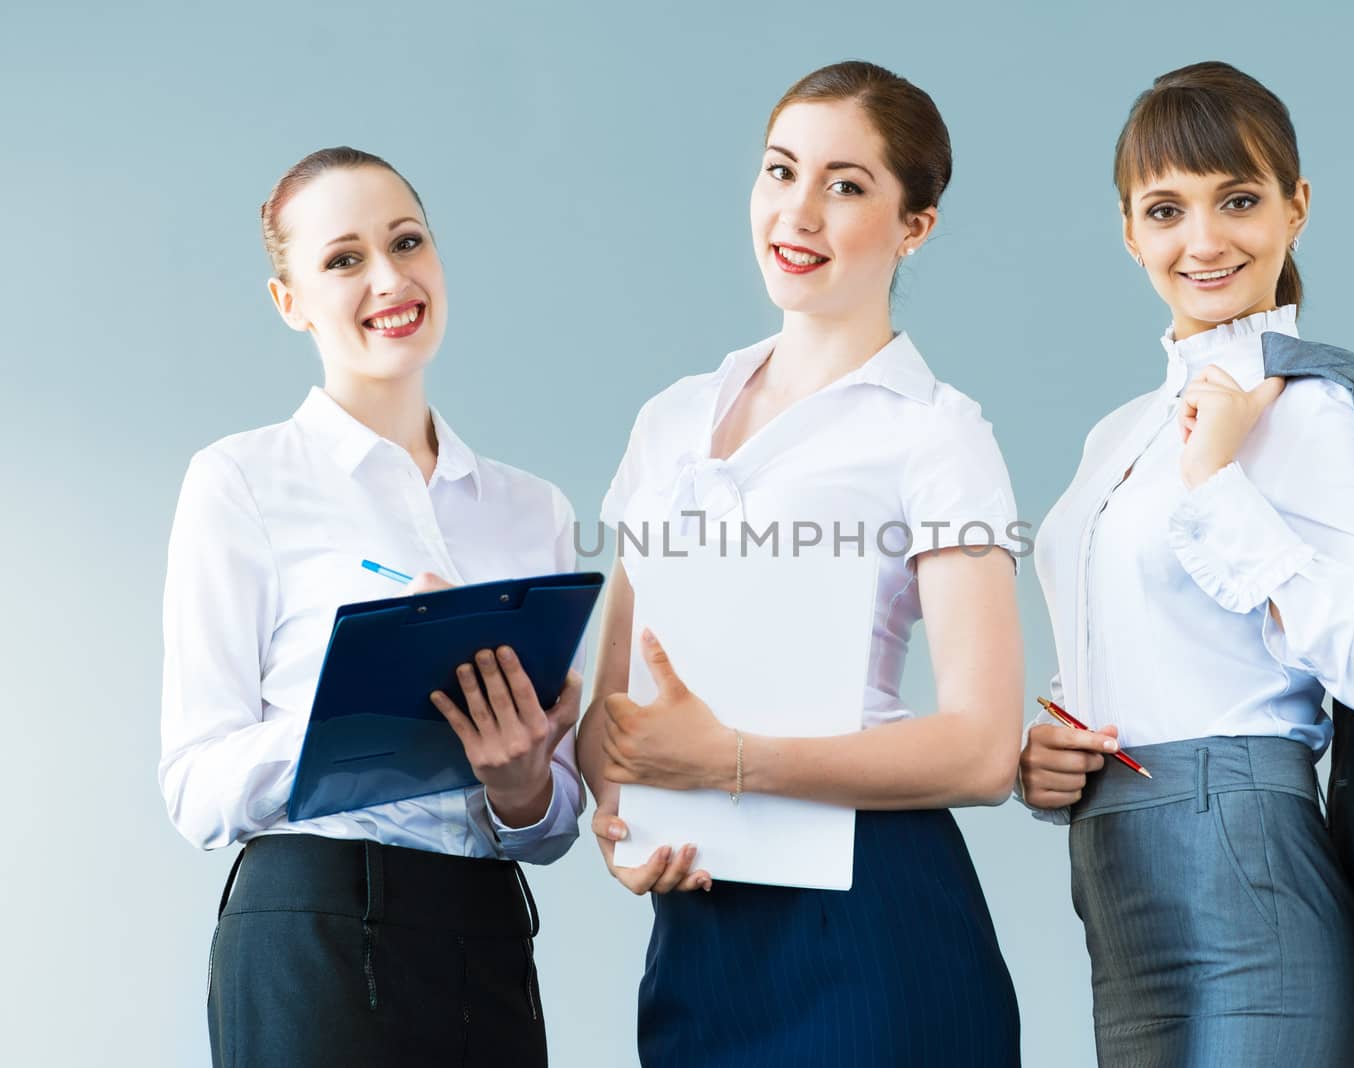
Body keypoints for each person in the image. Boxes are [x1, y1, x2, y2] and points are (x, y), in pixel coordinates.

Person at [577, 61, 1024, 1066]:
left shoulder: (936, 435)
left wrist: (734, 763)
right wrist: (623, 822)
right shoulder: (671, 419)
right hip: (702, 929)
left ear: (917, 225)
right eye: (781, 172)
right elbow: (612, 710)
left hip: (874, 914)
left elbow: (985, 748)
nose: (800, 211)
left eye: (847, 184)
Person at [1018, 62, 1354, 1063]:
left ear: (1296, 207)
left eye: (1236, 199)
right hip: (1114, 869)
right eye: (1165, 209)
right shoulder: (1115, 435)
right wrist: (1048, 754)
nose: (1202, 240)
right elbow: (1125, 653)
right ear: (1128, 231)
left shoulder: (1317, 412)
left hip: (1248, 860)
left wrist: (1215, 482)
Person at [159, 147, 582, 1067]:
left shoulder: (533, 509)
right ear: (291, 302)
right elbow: (195, 787)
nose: (389, 277)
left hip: (487, 933)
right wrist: (365, 698)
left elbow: (551, 826)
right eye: (344, 259)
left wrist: (522, 786)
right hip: (311, 924)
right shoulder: (241, 480)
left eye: (407, 242)